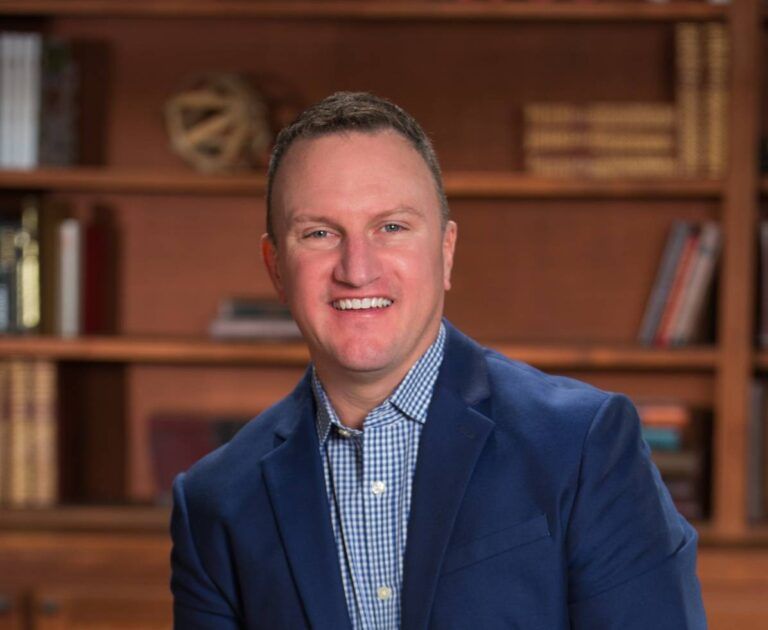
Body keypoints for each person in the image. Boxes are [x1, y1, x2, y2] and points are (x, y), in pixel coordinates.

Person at [170, 92, 707, 629]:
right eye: (319, 233)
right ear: (276, 267)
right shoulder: (215, 502)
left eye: (392, 227)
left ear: (446, 251)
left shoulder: (584, 445)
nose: (357, 270)